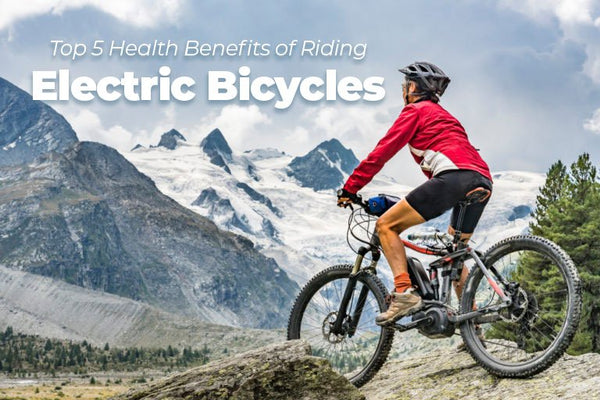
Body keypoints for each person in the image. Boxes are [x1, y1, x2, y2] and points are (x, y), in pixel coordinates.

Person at [337, 61, 493, 326]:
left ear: (411, 87)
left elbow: (381, 153)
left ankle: (403, 292)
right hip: (481, 180)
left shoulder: (415, 111)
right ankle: (472, 326)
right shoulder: (446, 116)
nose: (403, 90)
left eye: (404, 85)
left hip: (453, 177)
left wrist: (351, 188)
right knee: (453, 254)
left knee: (386, 226)